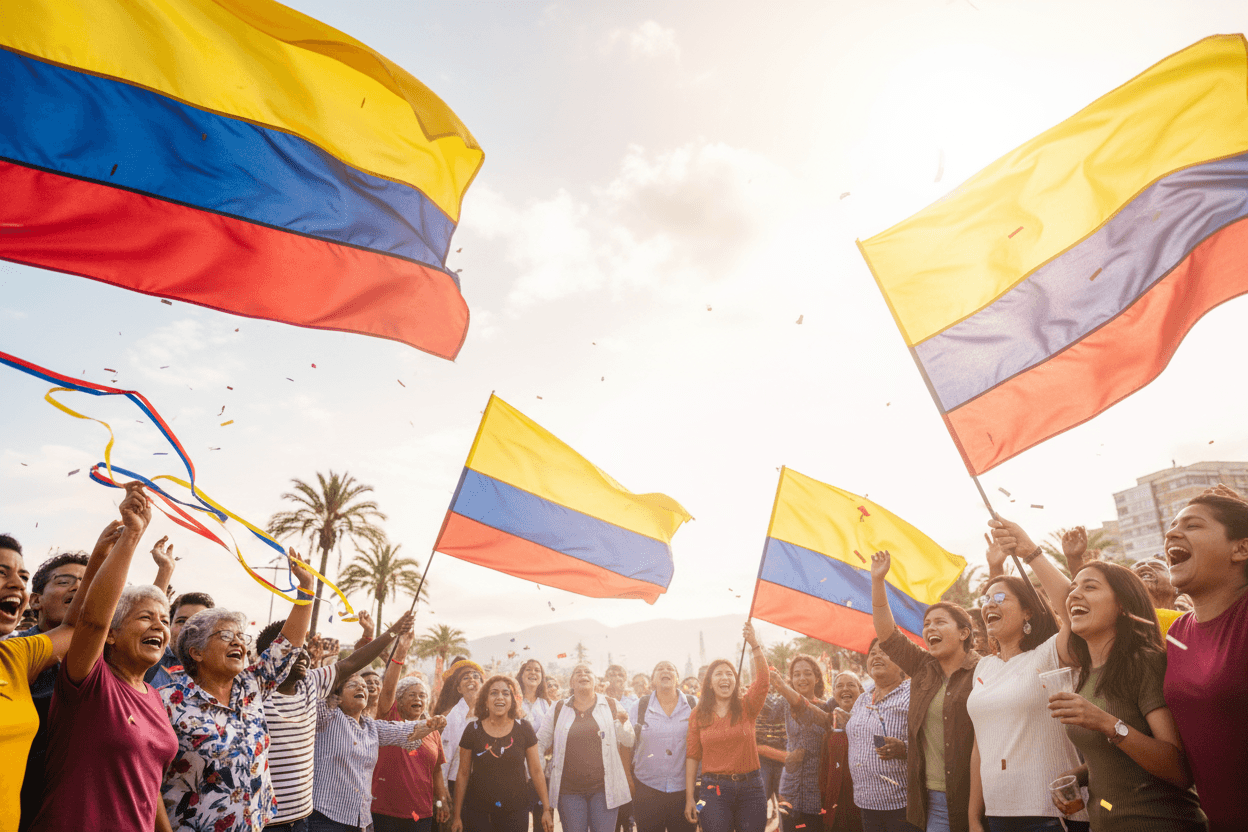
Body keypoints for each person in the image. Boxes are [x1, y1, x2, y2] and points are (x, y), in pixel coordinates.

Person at [32, 483, 172, 832]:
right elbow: (92, 620)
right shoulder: (88, 680)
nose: (159, 626)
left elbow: (145, 782)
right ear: (111, 633)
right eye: (146, 618)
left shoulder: (153, 696)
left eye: (165, 621)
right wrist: (131, 536)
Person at [161, 550, 316, 832]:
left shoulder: (252, 685)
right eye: (225, 635)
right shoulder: (167, 703)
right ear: (196, 652)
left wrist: (306, 589)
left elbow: (288, 645)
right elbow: (147, 783)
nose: (239, 643)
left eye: (240, 637)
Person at [1044, 561, 1204, 831]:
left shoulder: (1145, 662)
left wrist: (1106, 722)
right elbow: (1117, 756)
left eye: (1090, 587)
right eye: (1072, 589)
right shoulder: (1086, 674)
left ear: (1122, 605)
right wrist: (1077, 776)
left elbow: (1177, 770)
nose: (1074, 594)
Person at [967, 519, 1088, 832]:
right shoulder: (984, 667)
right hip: (997, 813)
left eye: (999, 599)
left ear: (1028, 612)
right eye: (985, 600)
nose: (988, 606)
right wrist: (974, 816)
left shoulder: (1048, 654)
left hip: (1050, 814)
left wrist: (1031, 553)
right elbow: (981, 745)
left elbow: (1076, 611)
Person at [258, 610, 418, 832]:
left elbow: (352, 663)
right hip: (267, 820)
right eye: (293, 649)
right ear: (269, 655)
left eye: (303, 649)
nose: (303, 655)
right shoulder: (254, 689)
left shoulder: (310, 683)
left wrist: (394, 631)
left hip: (302, 819)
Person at [12, 524, 122, 832]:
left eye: (87, 583)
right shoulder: (13, 654)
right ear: (35, 600)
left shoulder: (107, 661)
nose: (78, 589)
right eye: (65, 581)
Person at [870, 550, 981, 832]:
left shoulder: (985, 670)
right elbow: (887, 634)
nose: (930, 627)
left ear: (964, 633)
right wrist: (878, 581)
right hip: (932, 800)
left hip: (978, 797)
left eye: (940, 622)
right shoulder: (922, 667)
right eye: (927, 624)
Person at [1161, 488, 1248, 832]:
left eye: (1192, 525)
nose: (1172, 533)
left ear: (1241, 549)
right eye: (1172, 526)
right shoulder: (1177, 631)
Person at [310, 668, 438, 832]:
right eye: (353, 685)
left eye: (363, 686)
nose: (361, 688)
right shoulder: (326, 718)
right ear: (338, 696)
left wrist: (429, 725)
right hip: (326, 819)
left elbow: (403, 732)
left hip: (361, 820)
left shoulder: (371, 726)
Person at [683, 622, 768, 832]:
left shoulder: (748, 706)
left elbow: (763, 681)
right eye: (719, 674)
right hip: (712, 792)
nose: (725, 678)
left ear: (735, 681)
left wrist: (754, 644)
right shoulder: (698, 714)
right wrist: (690, 798)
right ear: (709, 683)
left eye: (730, 674)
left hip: (752, 789)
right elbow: (692, 756)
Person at [538, 663, 636, 832]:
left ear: (595, 680)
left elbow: (629, 740)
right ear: (571, 682)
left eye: (587, 672)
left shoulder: (611, 705)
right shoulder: (558, 708)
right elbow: (540, 743)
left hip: (604, 791)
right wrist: (537, 771)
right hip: (569, 792)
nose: (583, 674)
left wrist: (623, 724)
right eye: (578, 672)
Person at [372, 629, 452, 832]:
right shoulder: (389, 719)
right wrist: (401, 650)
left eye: (422, 696)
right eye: (411, 695)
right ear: (398, 700)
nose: (418, 699)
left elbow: (436, 771)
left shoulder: (432, 730)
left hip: (420, 815)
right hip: (384, 813)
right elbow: (388, 688)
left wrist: (442, 800)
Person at [452, 675, 553, 832]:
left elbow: (536, 770)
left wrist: (546, 809)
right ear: (485, 700)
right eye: (494, 693)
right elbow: (463, 773)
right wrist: (457, 816)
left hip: (516, 813)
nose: (500, 697)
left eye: (506, 693)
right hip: (478, 813)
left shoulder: (524, 728)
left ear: (512, 699)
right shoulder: (472, 730)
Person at [843, 637, 916, 832]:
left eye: (884, 652)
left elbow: (931, 742)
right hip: (866, 804)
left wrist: (905, 749)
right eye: (873, 653)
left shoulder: (912, 694)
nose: (876, 656)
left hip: (900, 805)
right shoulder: (863, 698)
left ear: (902, 663)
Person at [627, 660, 697, 832]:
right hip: (646, 788)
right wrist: (629, 779)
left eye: (670, 668)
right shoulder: (639, 706)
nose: (665, 671)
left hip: (685, 790)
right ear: (653, 680)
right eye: (660, 669)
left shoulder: (694, 704)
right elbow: (627, 744)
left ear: (677, 679)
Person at [765, 654, 829, 832]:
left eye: (807, 673)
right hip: (790, 788)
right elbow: (762, 714)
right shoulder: (784, 705)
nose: (802, 678)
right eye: (796, 674)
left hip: (816, 788)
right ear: (791, 679)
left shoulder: (826, 707)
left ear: (817, 678)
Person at [435, 659, 485, 799]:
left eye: (476, 676)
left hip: (484, 782)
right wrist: (443, 788)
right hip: (456, 782)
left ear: (483, 684)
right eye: (466, 678)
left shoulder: (489, 713)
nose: (472, 680)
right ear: (459, 689)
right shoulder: (452, 716)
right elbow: (445, 754)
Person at [146, 590, 215, 688]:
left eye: (199, 622)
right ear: (169, 625)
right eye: (181, 621)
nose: (189, 628)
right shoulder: (147, 658)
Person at [822, 672, 864, 832]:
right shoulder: (829, 725)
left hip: (865, 802)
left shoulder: (872, 718)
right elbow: (825, 768)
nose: (845, 689)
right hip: (836, 802)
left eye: (851, 685)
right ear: (834, 693)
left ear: (860, 690)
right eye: (839, 686)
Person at [515, 659, 553, 830]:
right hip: (518, 772)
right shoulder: (512, 701)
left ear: (542, 676)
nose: (533, 673)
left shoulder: (547, 704)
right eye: (528, 669)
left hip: (541, 772)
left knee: (542, 823)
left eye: (537, 670)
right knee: (517, 823)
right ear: (521, 675)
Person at [753, 686, 787, 819]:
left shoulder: (786, 701)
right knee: (786, 810)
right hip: (767, 759)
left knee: (758, 807)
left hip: (772, 758)